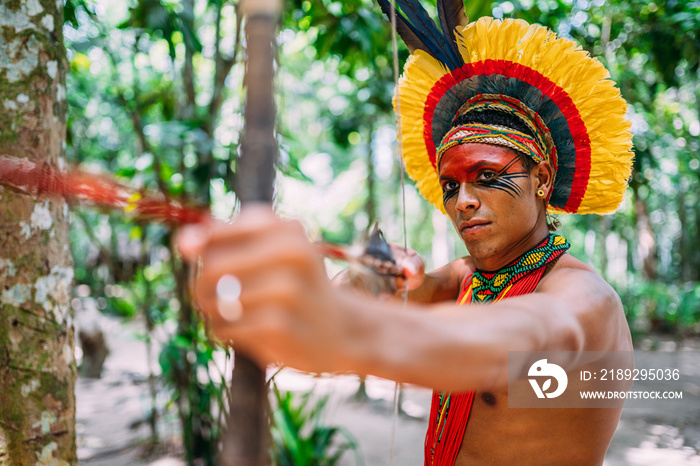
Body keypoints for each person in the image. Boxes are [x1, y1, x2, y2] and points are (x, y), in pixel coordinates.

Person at [177, 7, 635, 466]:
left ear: (543, 177)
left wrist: (342, 322)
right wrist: (362, 281)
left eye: (487, 175)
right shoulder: (466, 280)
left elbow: (517, 337)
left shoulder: (585, 299)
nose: (462, 202)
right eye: (451, 186)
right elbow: (368, 309)